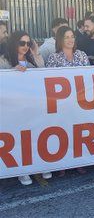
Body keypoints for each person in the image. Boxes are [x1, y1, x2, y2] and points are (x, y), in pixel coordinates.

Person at [0, 30, 51, 185]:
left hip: (33, 106)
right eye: (22, 43)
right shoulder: (3, 61)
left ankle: (39, 164)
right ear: (14, 43)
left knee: (36, 135)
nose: (25, 46)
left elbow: (44, 73)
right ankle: (22, 171)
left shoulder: (32, 58)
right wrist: (12, 72)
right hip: (13, 108)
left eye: (28, 43)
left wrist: (36, 53)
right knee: (19, 138)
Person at [46, 26, 89, 176]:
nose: (71, 40)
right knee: (63, 132)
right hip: (62, 104)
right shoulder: (54, 57)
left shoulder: (82, 55)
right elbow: (49, 82)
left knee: (78, 132)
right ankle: (62, 163)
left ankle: (78, 162)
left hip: (80, 102)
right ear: (60, 40)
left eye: (72, 36)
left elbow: (89, 77)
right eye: (66, 37)